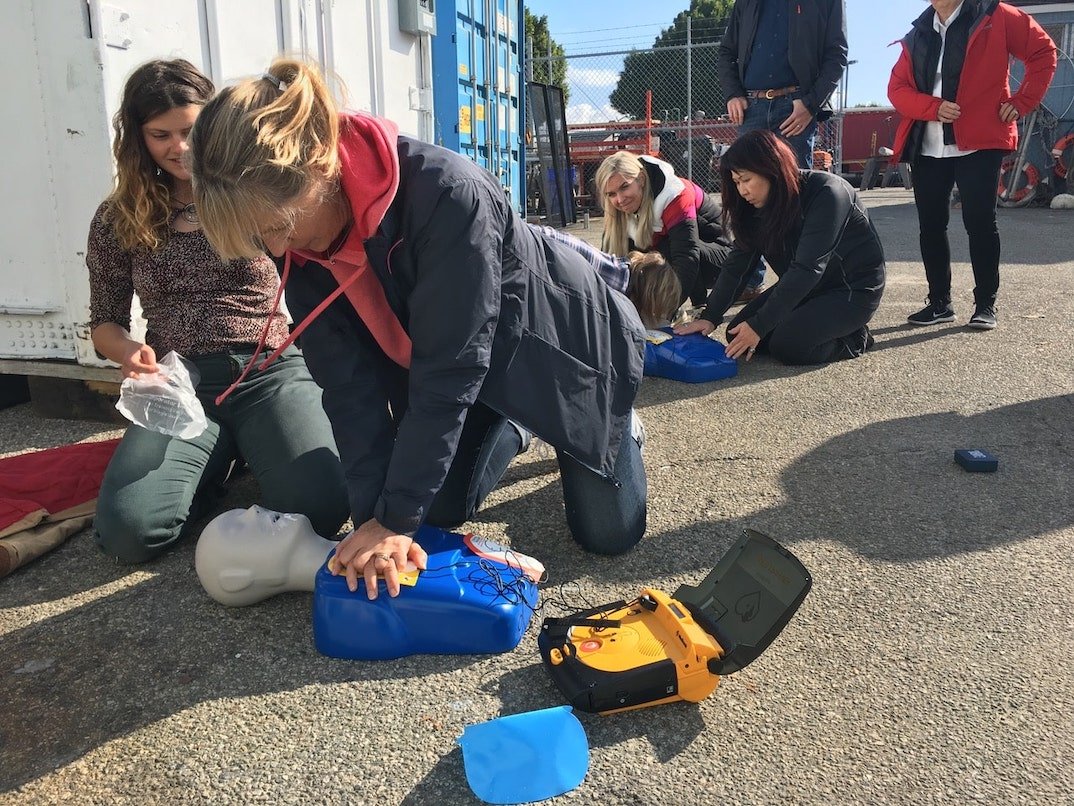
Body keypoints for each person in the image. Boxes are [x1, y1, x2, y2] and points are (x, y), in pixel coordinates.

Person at [188, 58, 648, 599]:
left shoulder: (447, 194)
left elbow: (448, 370)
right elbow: (347, 390)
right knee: (433, 510)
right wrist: (373, 522)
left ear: (317, 169)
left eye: (274, 229)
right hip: (462, 360)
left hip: (562, 345)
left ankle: (614, 418)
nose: (276, 249)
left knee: (608, 535)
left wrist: (396, 519)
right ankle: (516, 424)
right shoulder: (301, 243)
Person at [86, 59, 349, 564]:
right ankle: (223, 450)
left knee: (321, 507)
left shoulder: (253, 190)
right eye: (161, 135)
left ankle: (237, 445)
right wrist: (129, 352)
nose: (179, 147)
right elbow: (104, 320)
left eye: (190, 129)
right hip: (177, 382)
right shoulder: (118, 215)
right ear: (137, 138)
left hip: (267, 368)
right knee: (128, 535)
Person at [888, 0, 1057, 330]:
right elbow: (897, 89)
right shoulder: (917, 33)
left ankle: (985, 305)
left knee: (980, 224)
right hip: (927, 145)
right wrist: (931, 107)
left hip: (980, 139)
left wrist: (1023, 100)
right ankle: (939, 303)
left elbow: (1043, 52)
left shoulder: (996, 15)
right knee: (931, 227)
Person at [675, 130, 885, 365]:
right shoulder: (756, 206)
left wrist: (759, 325)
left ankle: (856, 337)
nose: (742, 191)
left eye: (746, 180)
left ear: (771, 169)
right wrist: (710, 317)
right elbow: (738, 265)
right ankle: (807, 323)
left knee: (789, 346)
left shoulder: (828, 193)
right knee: (736, 333)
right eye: (736, 182)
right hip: (806, 289)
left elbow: (807, 269)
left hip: (851, 291)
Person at [595, 150, 765, 308]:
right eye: (611, 194)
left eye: (625, 187)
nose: (619, 199)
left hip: (724, 258)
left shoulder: (675, 194)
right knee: (637, 257)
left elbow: (687, 256)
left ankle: (699, 305)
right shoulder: (619, 209)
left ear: (641, 179)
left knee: (665, 250)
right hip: (688, 253)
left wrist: (668, 312)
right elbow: (609, 263)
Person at [717, 0, 848, 170]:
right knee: (749, 189)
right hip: (751, 110)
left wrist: (810, 104)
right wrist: (733, 93)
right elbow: (726, 51)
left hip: (795, 111)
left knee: (794, 189)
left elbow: (837, 54)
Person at [531, 222, 681, 329]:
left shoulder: (620, 269)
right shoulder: (615, 284)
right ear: (649, 297)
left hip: (531, 240)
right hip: (530, 247)